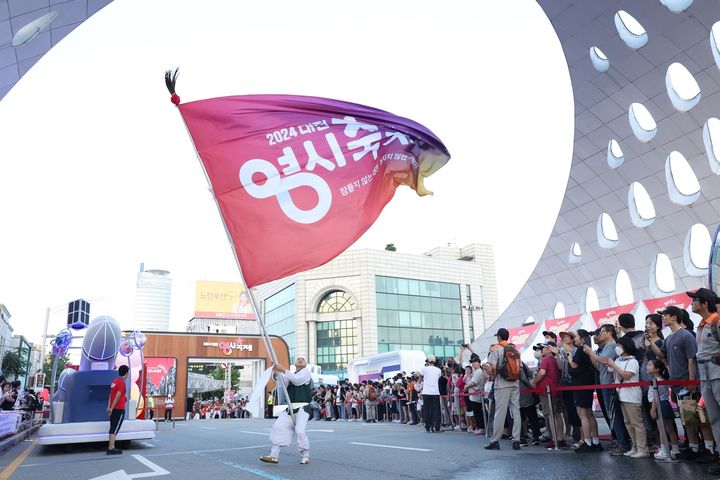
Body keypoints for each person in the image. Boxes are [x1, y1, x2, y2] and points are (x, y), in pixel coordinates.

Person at [659, 305, 705, 461]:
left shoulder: (686, 335)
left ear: (674, 317)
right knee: (687, 419)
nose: (663, 318)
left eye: (666, 315)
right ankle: (693, 447)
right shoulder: (669, 337)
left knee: (694, 418)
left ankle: (704, 448)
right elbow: (663, 356)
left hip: (687, 384)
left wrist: (691, 381)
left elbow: (692, 359)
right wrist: (652, 340)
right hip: (676, 384)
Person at [583, 324, 631, 455]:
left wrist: (591, 352)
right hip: (606, 383)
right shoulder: (607, 346)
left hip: (609, 385)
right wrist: (592, 355)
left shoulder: (611, 345)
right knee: (613, 415)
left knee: (615, 415)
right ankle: (620, 441)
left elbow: (604, 360)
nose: (599, 334)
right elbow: (600, 366)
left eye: (602, 331)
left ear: (609, 332)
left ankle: (623, 443)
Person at [689, 287, 720, 474]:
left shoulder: (717, 321)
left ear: (704, 303)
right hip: (706, 377)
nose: (692, 303)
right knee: (715, 419)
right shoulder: (701, 324)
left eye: (694, 300)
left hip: (717, 374)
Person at [260, 356, 312, 465]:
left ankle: (305, 455)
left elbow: (297, 381)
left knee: (300, 431)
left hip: (303, 407)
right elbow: (281, 382)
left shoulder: (305, 372)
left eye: (303, 359)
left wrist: (282, 369)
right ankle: (273, 455)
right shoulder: (291, 374)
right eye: (298, 359)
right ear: (295, 363)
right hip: (290, 407)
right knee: (278, 427)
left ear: (305, 364)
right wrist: (275, 371)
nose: (300, 360)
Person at [606, 337, 649, 458]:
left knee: (637, 423)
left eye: (619, 345)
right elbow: (612, 373)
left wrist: (614, 365)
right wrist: (612, 365)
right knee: (628, 423)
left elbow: (627, 375)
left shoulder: (632, 361)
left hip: (632, 396)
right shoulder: (618, 360)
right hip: (621, 395)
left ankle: (643, 449)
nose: (617, 348)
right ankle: (634, 447)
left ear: (626, 347)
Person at [485, 328, 521, 450]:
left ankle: (495, 440)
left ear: (499, 336)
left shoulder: (496, 348)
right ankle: (516, 439)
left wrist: (494, 377)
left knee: (500, 412)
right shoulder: (514, 349)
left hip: (502, 383)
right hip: (515, 382)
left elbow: (493, 367)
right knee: (515, 410)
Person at [567, 330, 600, 453]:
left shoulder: (581, 350)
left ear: (582, 338)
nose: (574, 339)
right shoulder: (586, 350)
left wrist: (568, 355)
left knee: (583, 414)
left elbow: (574, 365)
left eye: (575, 337)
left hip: (580, 384)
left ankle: (587, 441)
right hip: (587, 383)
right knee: (589, 413)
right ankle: (595, 441)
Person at [532, 342, 566, 448]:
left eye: (545, 348)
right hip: (555, 390)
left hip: (547, 391)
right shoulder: (556, 360)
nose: (542, 350)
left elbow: (542, 373)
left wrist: (534, 381)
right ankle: (560, 439)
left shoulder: (546, 359)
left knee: (551, 416)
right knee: (557, 415)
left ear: (550, 349)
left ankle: (555, 439)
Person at [647, 359, 679, 460]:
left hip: (660, 405)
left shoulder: (657, 381)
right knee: (670, 429)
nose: (647, 367)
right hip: (665, 404)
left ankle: (664, 451)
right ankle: (675, 450)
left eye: (649, 365)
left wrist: (652, 409)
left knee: (662, 430)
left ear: (656, 369)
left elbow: (656, 397)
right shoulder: (662, 379)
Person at [107, 365, 129, 455]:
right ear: (126, 373)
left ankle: (111, 447)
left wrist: (109, 407)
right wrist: (112, 408)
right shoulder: (122, 383)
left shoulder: (114, 381)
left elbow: (111, 395)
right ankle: (111, 448)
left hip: (113, 408)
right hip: (119, 409)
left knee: (112, 427)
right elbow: (117, 396)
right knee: (115, 429)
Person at [421, 355, 442, 432]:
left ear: (428, 361)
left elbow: (422, 374)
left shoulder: (424, 369)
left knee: (427, 410)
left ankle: (428, 426)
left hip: (426, 392)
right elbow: (439, 377)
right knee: (436, 410)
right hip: (435, 392)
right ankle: (437, 426)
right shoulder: (438, 370)